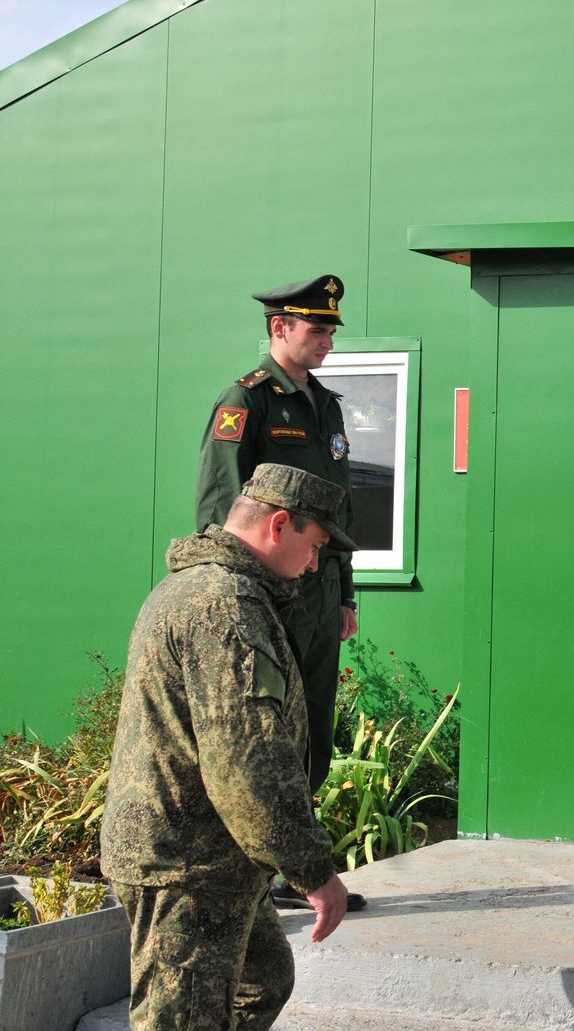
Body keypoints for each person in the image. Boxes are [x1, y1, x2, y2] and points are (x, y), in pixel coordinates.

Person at [101, 463, 355, 1030]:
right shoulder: (225, 607)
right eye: (313, 546)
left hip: (208, 853)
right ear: (279, 525)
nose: (314, 564)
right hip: (187, 867)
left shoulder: (211, 589)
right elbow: (246, 759)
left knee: (262, 978)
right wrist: (313, 871)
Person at [194, 274, 364, 911]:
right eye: (315, 329)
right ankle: (254, 872)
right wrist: (235, 593)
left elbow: (335, 513)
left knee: (312, 724)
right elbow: (219, 505)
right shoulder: (247, 402)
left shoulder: (327, 405)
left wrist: (345, 594)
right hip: (266, 597)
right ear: (278, 328)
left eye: (329, 331)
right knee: (264, 727)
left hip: (318, 595)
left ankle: (297, 868)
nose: (325, 341)